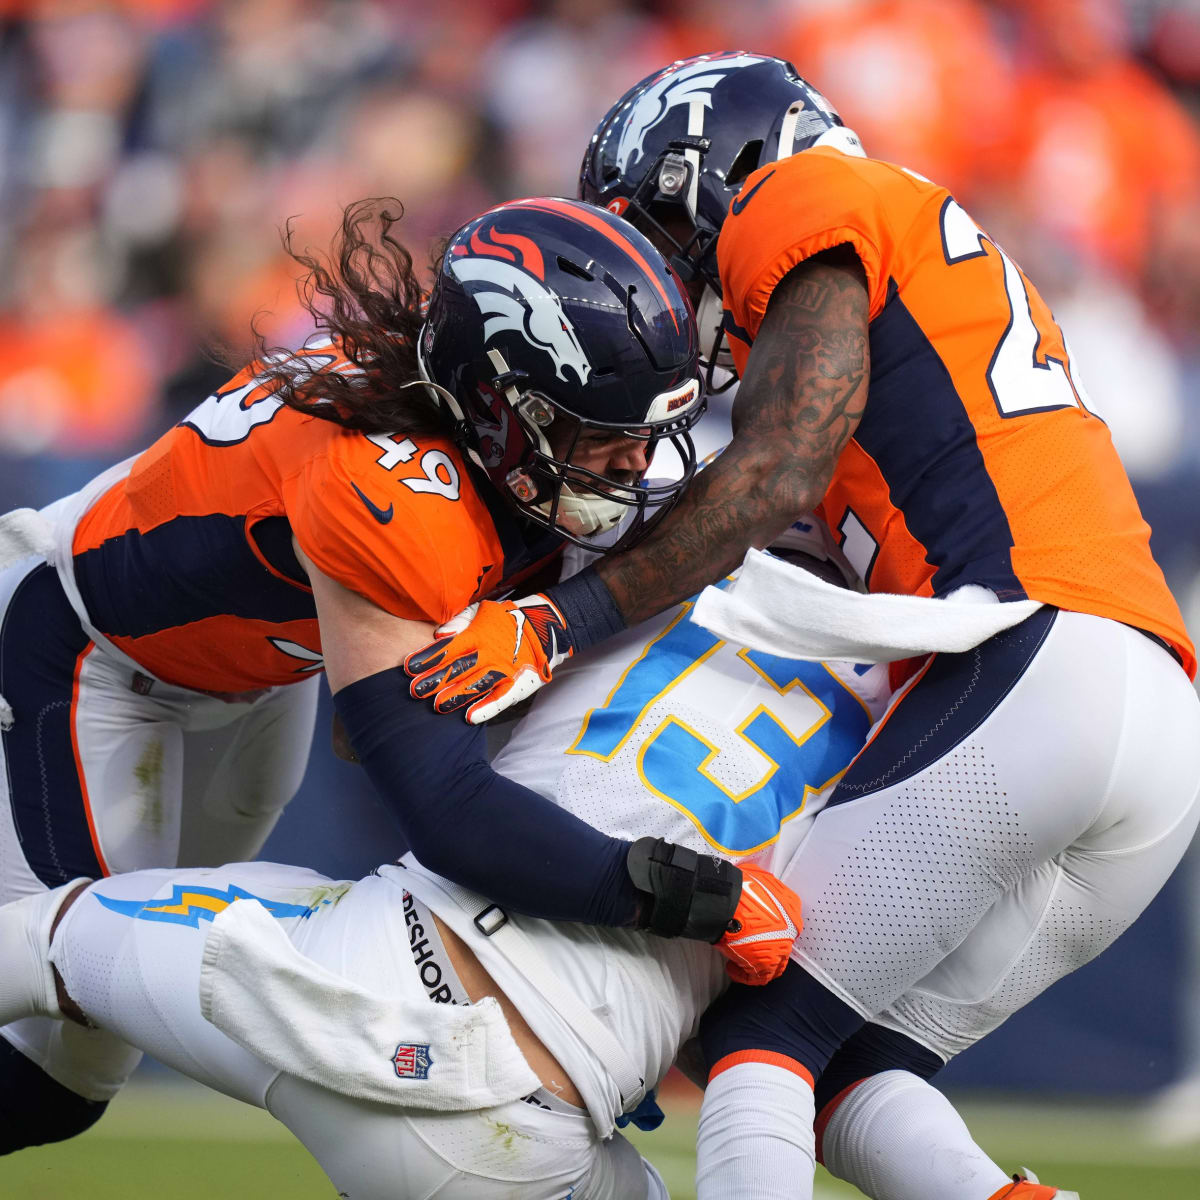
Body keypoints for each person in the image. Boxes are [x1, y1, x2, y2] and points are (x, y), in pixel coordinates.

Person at [403, 52, 1200, 1200]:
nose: (661, 276)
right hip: (1149, 722)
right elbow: (767, 512)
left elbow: (773, 471)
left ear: (709, 172)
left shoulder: (807, 201)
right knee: (849, 1076)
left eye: (651, 228)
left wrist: (554, 623)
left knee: (758, 1049)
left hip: (1044, 663)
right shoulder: (920, 274)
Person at [0, 193, 803, 1155]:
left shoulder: (456, 427)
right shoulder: (385, 485)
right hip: (84, 651)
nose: (631, 466)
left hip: (260, 674)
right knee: (62, 1064)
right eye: (597, 434)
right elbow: (444, 804)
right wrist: (684, 898)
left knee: (102, 989)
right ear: (499, 402)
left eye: (643, 432)